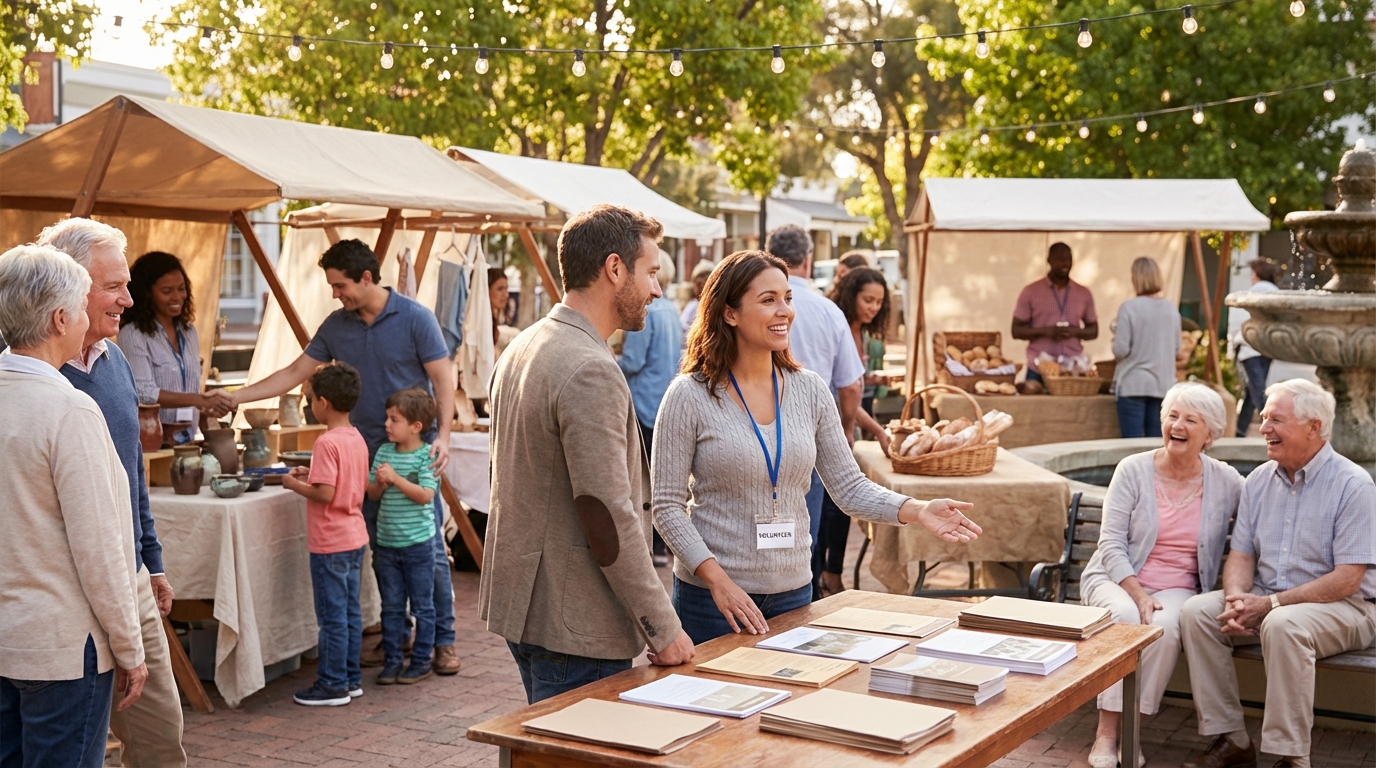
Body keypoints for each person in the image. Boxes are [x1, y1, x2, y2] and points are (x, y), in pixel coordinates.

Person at [652, 250, 981, 645]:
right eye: (768, 300)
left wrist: (919, 510)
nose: (785, 311)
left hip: (794, 594)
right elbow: (666, 507)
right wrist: (717, 580)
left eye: (787, 298)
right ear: (729, 313)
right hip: (713, 602)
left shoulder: (810, 390)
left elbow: (848, 487)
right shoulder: (689, 395)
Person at [482, 204, 695, 704]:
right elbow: (607, 514)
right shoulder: (589, 367)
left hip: (528, 605)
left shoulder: (524, 345)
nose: (657, 290)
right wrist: (662, 626)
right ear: (614, 268)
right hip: (576, 620)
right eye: (651, 272)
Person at [227, 239, 461, 675]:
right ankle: (398, 637)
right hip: (364, 463)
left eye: (340, 286)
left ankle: (443, 642)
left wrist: (444, 437)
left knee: (427, 554)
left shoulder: (416, 318)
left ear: (366, 277)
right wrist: (236, 397)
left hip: (414, 458)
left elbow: (442, 378)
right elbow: (295, 372)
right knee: (383, 554)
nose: (336, 294)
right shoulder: (336, 325)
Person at [38, 220, 187, 766]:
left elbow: (132, 472)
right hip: (62, 594)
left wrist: (152, 562)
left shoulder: (114, 359)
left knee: (160, 740)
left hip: (129, 579)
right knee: (80, 750)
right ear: (70, 287)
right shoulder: (25, 372)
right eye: (114, 287)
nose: (128, 299)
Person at [0, 244, 146, 768]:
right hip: (63, 648)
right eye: (83, 307)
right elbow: (100, 549)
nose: (89, 319)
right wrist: (130, 648)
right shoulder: (69, 409)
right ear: (60, 319)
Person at [1180, 379, 1375, 768]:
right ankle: (1233, 740)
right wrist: (1237, 600)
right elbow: (1241, 555)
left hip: (1346, 606)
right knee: (1197, 613)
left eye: (1276, 420)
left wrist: (1270, 604)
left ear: (1313, 427)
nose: (1264, 428)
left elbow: (1347, 579)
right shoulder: (1258, 480)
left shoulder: (1353, 484)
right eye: (1264, 418)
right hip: (1270, 599)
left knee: (1283, 624)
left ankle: (1292, 757)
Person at [1079, 383, 1243, 768]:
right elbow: (1110, 543)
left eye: (1190, 419)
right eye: (1172, 415)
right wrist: (1138, 594)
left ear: (1210, 435)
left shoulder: (1227, 481)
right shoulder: (1133, 470)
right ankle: (1106, 734)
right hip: (1117, 578)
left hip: (1177, 586)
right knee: (1126, 617)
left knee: (1165, 627)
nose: (1177, 425)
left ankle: (1131, 733)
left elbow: (1263, 515)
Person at [764, 224, 866, 600]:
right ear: (808, 260)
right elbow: (851, 385)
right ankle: (801, 602)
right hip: (808, 439)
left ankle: (793, 603)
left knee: (789, 541)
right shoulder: (827, 311)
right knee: (804, 536)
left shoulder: (807, 382)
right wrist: (846, 431)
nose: (784, 313)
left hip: (771, 438)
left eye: (786, 302)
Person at [283, 362, 370, 706]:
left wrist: (293, 484)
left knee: (331, 617)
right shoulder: (356, 437)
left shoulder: (326, 442)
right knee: (350, 613)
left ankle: (332, 684)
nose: (310, 406)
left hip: (330, 542)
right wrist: (312, 472)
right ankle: (350, 677)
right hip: (354, 537)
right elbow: (349, 481)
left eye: (310, 400)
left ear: (324, 402)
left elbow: (325, 493)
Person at [813, 267, 893, 596]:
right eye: (867, 300)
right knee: (828, 508)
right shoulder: (840, 325)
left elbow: (853, 387)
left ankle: (832, 573)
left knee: (839, 510)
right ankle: (824, 577)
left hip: (847, 426)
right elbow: (843, 391)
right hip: (833, 427)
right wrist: (875, 430)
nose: (873, 307)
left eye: (879, 302)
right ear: (851, 296)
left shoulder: (862, 331)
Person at [118, 251, 233, 443]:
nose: (177, 297)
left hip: (188, 439)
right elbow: (144, 392)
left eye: (181, 289)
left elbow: (192, 386)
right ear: (146, 293)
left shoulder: (189, 332)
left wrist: (208, 410)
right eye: (167, 291)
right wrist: (199, 400)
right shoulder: (133, 334)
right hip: (154, 442)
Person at [367, 388, 442, 686]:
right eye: (387, 418)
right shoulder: (384, 452)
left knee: (422, 606)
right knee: (392, 606)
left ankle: (421, 661)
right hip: (387, 545)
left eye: (394, 419)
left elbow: (425, 495)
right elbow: (372, 494)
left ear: (415, 426)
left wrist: (395, 479)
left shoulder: (427, 456)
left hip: (419, 546)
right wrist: (380, 483)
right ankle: (392, 661)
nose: (386, 424)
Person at [619, 251, 684, 566]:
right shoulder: (671, 310)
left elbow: (633, 362)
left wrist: (608, 358)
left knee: (641, 479)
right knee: (662, 478)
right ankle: (662, 544)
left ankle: (650, 546)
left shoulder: (646, 312)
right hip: (663, 401)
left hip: (643, 402)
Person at [1111, 256, 1182, 438]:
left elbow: (1120, 349)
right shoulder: (1171, 309)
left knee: (1132, 446)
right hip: (1162, 385)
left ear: (1135, 278)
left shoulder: (1128, 307)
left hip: (1133, 384)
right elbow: (1177, 350)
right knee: (1156, 445)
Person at [1012, 242, 1099, 383]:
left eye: (1068, 259)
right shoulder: (1031, 291)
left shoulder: (1083, 293)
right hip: (1038, 369)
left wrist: (1074, 331)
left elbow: (1093, 331)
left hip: (1072, 369)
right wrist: (1045, 331)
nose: (1065, 264)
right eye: (1060, 259)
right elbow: (1016, 330)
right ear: (1049, 260)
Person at [1228, 259, 1280, 436]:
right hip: (1267, 348)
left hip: (1249, 349)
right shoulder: (1276, 293)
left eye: (1252, 273)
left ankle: (1273, 425)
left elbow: (1238, 323)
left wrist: (1233, 345)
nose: (1251, 276)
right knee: (1252, 391)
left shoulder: (1250, 293)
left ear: (1257, 274)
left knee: (1257, 391)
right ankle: (1240, 431)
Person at [679, 258, 715, 335]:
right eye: (698, 284)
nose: (701, 289)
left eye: (705, 284)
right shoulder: (692, 307)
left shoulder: (717, 308)